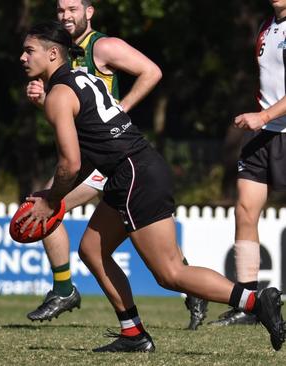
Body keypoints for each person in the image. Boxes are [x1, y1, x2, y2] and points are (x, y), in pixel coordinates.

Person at [18, 20, 285, 352]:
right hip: (133, 169)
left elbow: (69, 163)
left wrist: (51, 200)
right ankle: (133, 334)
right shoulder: (83, 79)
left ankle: (255, 301)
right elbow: (89, 154)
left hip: (133, 174)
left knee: (169, 273)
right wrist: (53, 196)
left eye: (30, 51)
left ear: (53, 53)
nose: (22, 58)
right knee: (91, 250)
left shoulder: (58, 94)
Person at [24, 0, 208, 331]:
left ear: (88, 12)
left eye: (73, 9)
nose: (66, 16)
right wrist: (42, 102)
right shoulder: (59, 55)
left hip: (110, 157)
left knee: (46, 206)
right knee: (56, 211)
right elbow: (70, 114)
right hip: (90, 154)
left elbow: (152, 72)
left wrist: (122, 107)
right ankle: (182, 292)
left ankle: (66, 289)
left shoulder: (104, 46)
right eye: (61, 10)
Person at [211, 0, 286, 326]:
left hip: (276, 126)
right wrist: (263, 118)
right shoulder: (266, 27)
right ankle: (248, 302)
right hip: (262, 134)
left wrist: (265, 115)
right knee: (244, 210)